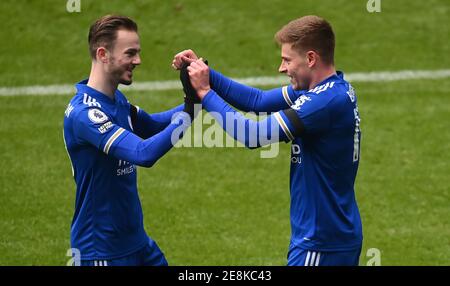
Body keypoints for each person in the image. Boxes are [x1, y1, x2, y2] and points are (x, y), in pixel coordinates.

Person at [173, 15, 363, 266]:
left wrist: (205, 93)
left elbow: (254, 136)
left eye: (286, 60)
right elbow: (257, 101)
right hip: (334, 233)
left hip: (320, 242)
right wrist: (202, 70)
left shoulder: (321, 103)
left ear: (310, 58)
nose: (281, 68)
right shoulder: (325, 89)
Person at [63, 15, 195, 266]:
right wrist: (190, 109)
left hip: (138, 244)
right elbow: (143, 153)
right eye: (130, 53)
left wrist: (198, 95)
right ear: (103, 54)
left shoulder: (116, 101)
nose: (138, 60)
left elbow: (154, 125)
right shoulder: (85, 114)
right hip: (101, 252)